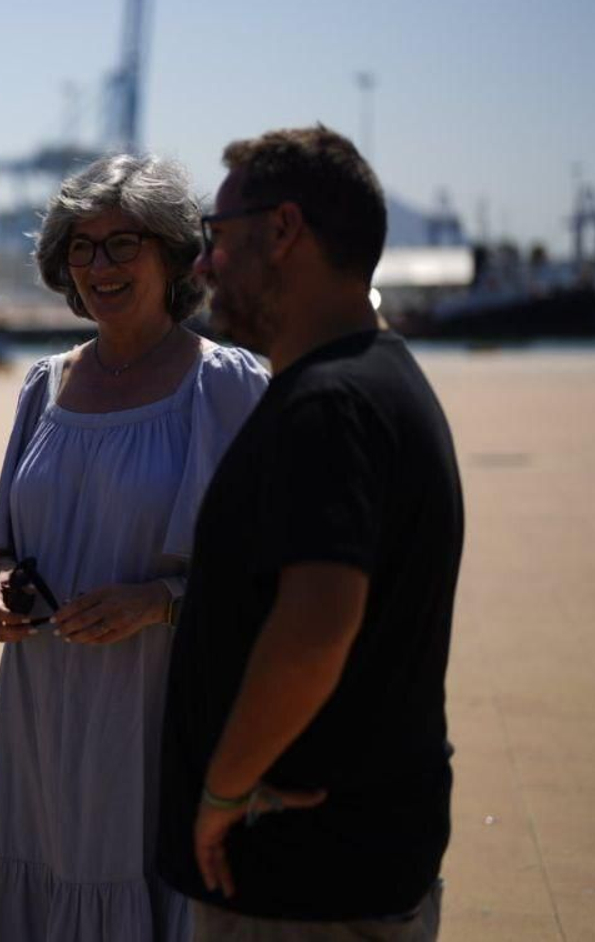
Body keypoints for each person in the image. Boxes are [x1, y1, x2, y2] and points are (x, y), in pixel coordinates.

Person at [157, 125, 463, 941]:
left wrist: (224, 790)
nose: (203, 264)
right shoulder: (379, 379)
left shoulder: (329, 406)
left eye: (216, 238)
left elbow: (318, 623)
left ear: (283, 230)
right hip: (346, 867)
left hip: (304, 883)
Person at [0, 154, 269, 941]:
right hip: (38, 711)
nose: (99, 265)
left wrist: (159, 601)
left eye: (122, 243)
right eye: (82, 246)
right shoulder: (45, 384)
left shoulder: (226, 385)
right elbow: (1, 543)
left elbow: (273, 574)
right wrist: (0, 589)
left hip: (154, 712)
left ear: (174, 253)